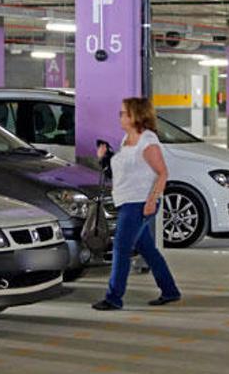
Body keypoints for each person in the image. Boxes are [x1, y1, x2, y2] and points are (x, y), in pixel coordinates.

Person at [92, 98, 181, 310]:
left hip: (139, 203)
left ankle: (114, 298)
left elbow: (163, 173)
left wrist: (152, 200)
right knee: (148, 250)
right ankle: (170, 291)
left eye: (124, 113)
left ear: (136, 116)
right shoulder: (127, 139)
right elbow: (123, 172)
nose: (120, 116)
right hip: (127, 201)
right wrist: (105, 158)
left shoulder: (147, 142)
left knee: (121, 248)